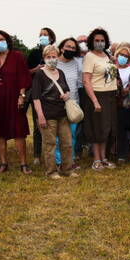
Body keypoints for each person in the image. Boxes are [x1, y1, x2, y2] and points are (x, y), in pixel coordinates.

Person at [0, 30, 32, 174]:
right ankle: (4, 164)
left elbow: (24, 77)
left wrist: (21, 95)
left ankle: (23, 164)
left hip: (13, 98)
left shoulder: (16, 56)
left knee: (18, 131)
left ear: (7, 40)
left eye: (2, 39)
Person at [31, 45, 78, 179]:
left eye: (54, 56)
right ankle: (51, 172)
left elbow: (67, 89)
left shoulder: (60, 72)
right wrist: (40, 116)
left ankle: (67, 169)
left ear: (58, 57)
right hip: (47, 115)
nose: (52, 59)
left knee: (67, 143)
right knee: (50, 145)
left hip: (63, 114)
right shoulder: (39, 74)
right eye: (49, 57)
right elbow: (35, 98)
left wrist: (67, 95)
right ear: (44, 58)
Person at [82, 28, 118, 171]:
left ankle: (104, 158)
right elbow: (86, 81)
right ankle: (96, 159)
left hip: (110, 96)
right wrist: (95, 100)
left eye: (102, 40)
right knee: (97, 128)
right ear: (92, 41)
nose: (100, 43)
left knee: (106, 129)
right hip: (97, 95)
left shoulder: (107, 55)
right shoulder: (89, 56)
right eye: (97, 40)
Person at [27, 27, 57, 165]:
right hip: (37, 92)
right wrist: (36, 69)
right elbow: (26, 71)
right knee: (39, 123)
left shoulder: (56, 52)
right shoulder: (34, 53)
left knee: (55, 124)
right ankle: (37, 155)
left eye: (45, 35)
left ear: (51, 37)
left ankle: (54, 154)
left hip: (53, 93)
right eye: (40, 35)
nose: (42, 37)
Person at [55, 37, 82, 169]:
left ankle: (70, 160)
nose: (70, 49)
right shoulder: (54, 62)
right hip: (57, 104)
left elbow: (80, 82)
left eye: (73, 47)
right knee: (58, 135)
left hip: (73, 104)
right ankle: (59, 161)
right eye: (68, 46)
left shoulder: (77, 63)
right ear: (61, 48)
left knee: (72, 134)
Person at [115, 45, 130, 163]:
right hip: (112, 100)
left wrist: (126, 90)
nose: (123, 57)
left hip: (125, 102)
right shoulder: (111, 67)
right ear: (116, 55)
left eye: (126, 56)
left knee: (122, 128)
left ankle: (122, 153)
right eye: (121, 55)